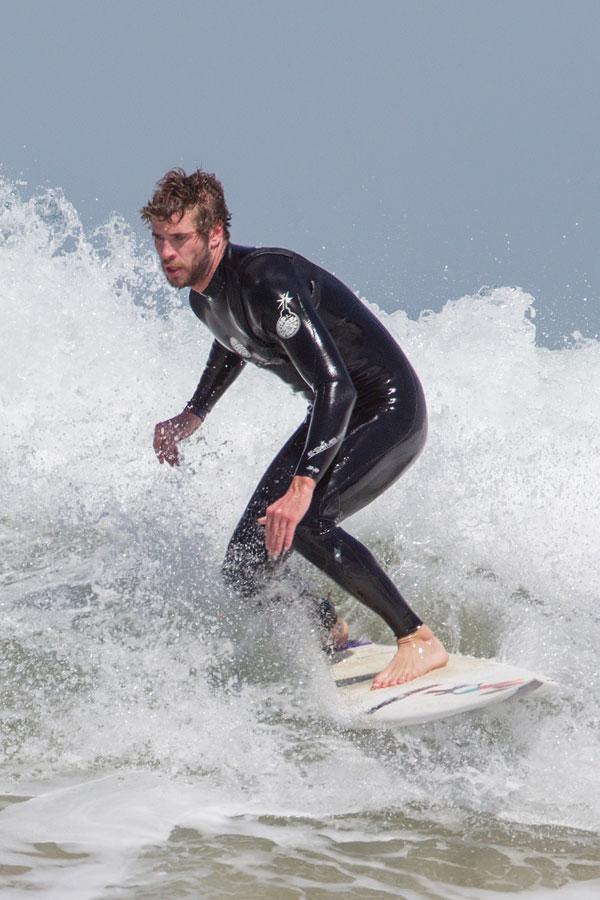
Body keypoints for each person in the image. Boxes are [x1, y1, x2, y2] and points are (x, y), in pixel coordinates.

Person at [142, 168, 448, 689]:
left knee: (304, 521)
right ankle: (331, 629)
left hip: (386, 409)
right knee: (244, 567)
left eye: (179, 238)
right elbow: (232, 337)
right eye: (159, 240)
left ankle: (417, 638)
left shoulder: (268, 279)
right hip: (334, 414)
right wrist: (194, 413)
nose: (167, 252)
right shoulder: (203, 298)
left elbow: (339, 387)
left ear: (214, 234)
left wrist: (303, 485)